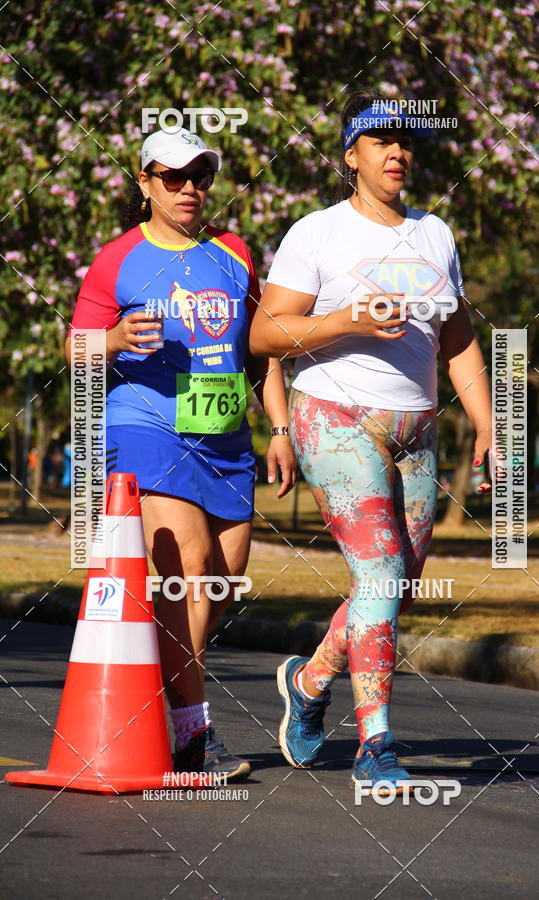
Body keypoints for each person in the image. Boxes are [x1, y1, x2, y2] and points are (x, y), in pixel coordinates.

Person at [249, 89, 492, 794]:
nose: (396, 151)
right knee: (381, 572)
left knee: (398, 585)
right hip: (334, 418)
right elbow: (266, 334)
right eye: (379, 140)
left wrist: (487, 422)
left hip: (417, 430)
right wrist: (349, 321)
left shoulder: (436, 233)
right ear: (350, 156)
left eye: (404, 140)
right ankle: (374, 743)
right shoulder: (317, 232)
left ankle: (310, 677)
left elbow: (458, 339)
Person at [65, 127, 296, 781]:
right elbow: (74, 348)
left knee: (221, 581)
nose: (190, 188)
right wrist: (109, 342)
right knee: (186, 569)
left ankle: (153, 709)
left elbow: (261, 351)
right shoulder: (118, 259)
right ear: (144, 182)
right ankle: (193, 733)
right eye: (174, 176)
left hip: (225, 440)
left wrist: (279, 428)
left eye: (201, 175)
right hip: (147, 428)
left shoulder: (233, 253)